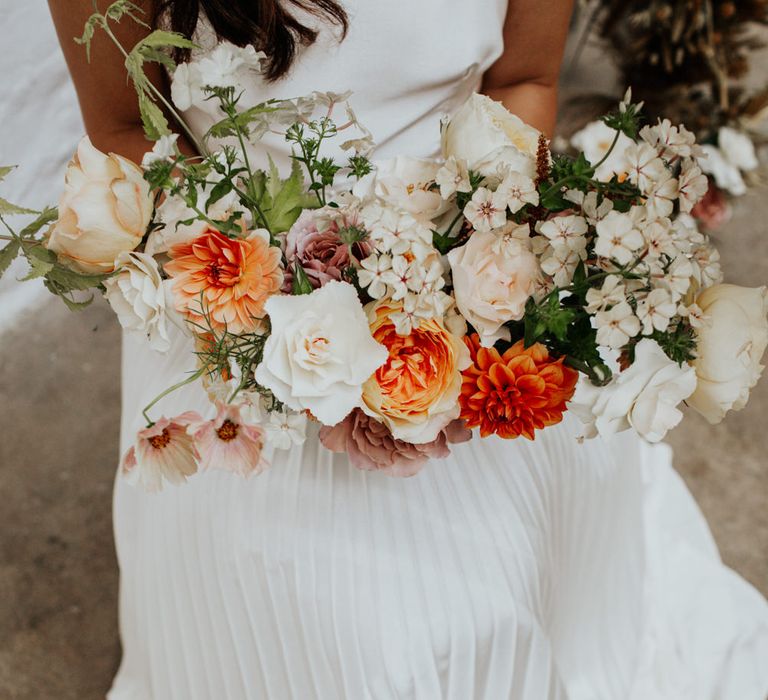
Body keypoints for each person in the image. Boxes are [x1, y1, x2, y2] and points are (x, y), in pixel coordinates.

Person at [49, 1, 768, 698]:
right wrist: (280, 320)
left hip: (466, 283)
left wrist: (465, 284)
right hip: (235, 304)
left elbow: (524, 80)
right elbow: (122, 125)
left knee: (491, 608)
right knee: (340, 634)